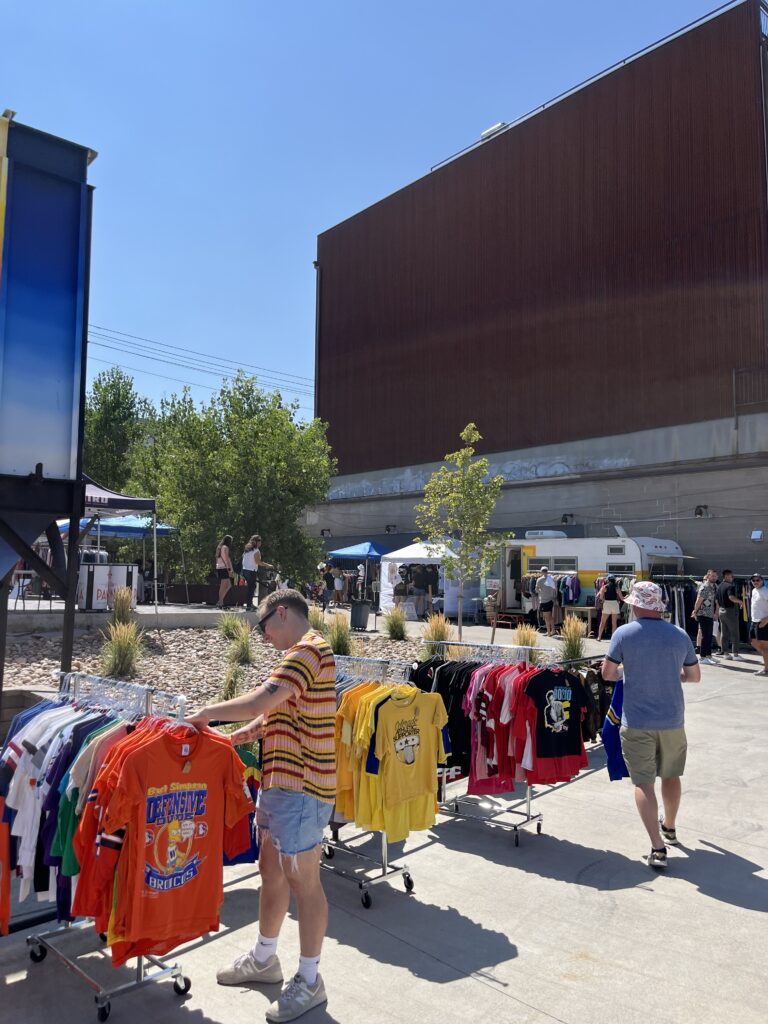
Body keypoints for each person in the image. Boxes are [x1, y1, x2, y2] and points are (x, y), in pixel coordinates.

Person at [187, 589, 336, 1021]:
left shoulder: (309, 652)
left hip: (303, 788)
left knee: (303, 881)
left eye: (263, 625)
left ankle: (310, 981)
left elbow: (259, 700)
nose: (263, 636)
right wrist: (233, 738)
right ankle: (265, 959)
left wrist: (206, 713)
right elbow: (271, 714)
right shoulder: (298, 656)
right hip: (279, 783)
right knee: (270, 870)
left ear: (283, 613)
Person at [601, 581, 701, 869]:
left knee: (643, 783)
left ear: (638, 605)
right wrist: (673, 675)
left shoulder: (624, 634)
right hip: (672, 719)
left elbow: (608, 674)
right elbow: (693, 676)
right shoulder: (679, 635)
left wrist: (627, 670)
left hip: (637, 721)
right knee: (671, 776)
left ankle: (657, 848)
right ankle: (669, 826)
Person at [691, 569, 718, 664]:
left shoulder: (713, 587)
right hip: (703, 614)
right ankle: (702, 657)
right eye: (712, 576)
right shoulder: (705, 587)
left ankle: (709, 655)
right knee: (705, 636)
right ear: (708, 576)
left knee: (709, 635)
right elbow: (699, 600)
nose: (714, 577)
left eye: (715, 576)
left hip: (709, 614)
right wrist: (695, 611)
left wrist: (715, 613)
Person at [716, 569, 744, 660]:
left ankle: (726, 653)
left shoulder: (719, 586)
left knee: (724, 633)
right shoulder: (729, 586)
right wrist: (741, 602)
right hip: (730, 611)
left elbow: (716, 600)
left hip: (721, 610)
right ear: (727, 576)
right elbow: (731, 597)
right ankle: (735, 654)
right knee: (735, 633)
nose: (733, 578)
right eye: (732, 576)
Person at [242, 535, 274, 611]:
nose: (260, 543)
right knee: (251, 588)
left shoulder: (247, 550)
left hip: (245, 570)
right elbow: (258, 562)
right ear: (256, 542)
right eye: (259, 541)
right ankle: (249, 606)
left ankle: (250, 604)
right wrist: (268, 565)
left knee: (252, 587)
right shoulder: (256, 550)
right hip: (251, 571)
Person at [596, 575, 625, 641]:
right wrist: (627, 597)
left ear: (608, 580)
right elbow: (621, 598)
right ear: (614, 580)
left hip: (607, 604)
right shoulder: (617, 587)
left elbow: (601, 598)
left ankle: (599, 637)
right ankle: (613, 638)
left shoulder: (604, 587)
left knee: (603, 622)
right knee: (614, 623)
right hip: (615, 604)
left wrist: (602, 601)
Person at [749, 573, 768, 676]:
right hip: (754, 621)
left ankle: (766, 669)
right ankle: (767, 660)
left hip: (764, 622)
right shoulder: (754, 590)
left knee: (765, 647)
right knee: (753, 642)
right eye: (753, 580)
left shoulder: (765, 591)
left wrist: (766, 620)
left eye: (758, 580)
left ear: (762, 581)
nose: (755, 582)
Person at [535, 567, 557, 637]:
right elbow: (555, 589)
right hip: (551, 600)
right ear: (547, 571)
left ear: (541, 572)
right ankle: (553, 630)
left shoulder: (539, 580)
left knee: (546, 618)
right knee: (550, 616)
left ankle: (549, 633)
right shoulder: (552, 579)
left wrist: (541, 592)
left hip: (544, 600)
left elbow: (536, 590)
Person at [215, 535, 235, 609]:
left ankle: (220, 601)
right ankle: (220, 602)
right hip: (224, 568)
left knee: (226, 585)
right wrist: (230, 570)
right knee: (225, 585)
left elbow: (217, 559)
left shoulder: (219, 547)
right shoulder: (225, 548)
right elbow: (226, 559)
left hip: (220, 567)